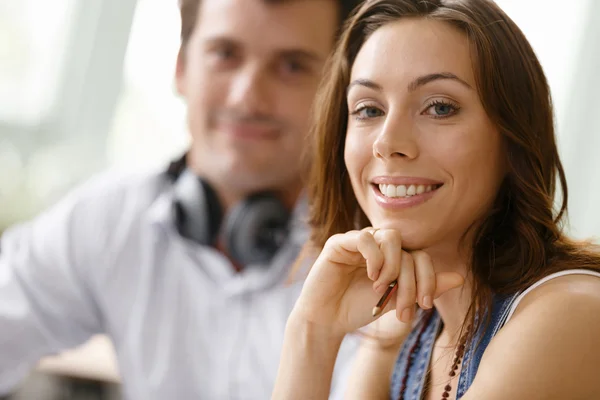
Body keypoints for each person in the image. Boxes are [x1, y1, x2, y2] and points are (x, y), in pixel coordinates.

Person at [0, 0, 363, 399]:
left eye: (292, 65)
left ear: (336, 92)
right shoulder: (110, 219)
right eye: (225, 54)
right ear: (181, 68)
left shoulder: (371, 257)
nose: (247, 98)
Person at [272, 0, 600, 399]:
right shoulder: (406, 328)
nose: (387, 143)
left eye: (439, 107)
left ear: (512, 139)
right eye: (368, 109)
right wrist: (312, 330)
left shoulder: (569, 316)